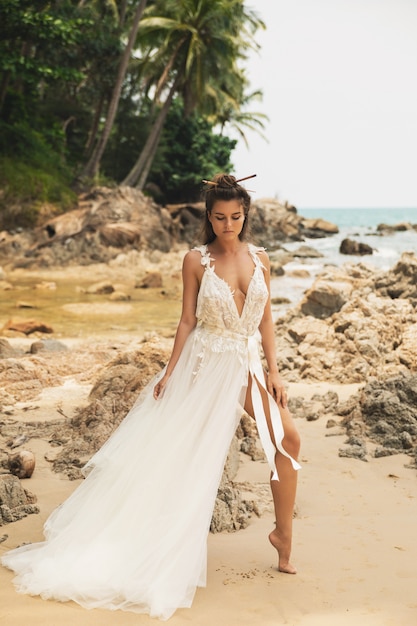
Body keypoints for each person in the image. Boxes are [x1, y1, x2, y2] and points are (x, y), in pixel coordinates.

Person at [1, 173, 301, 621]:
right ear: (208, 216)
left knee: (289, 440)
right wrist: (170, 372)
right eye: (219, 217)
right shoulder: (195, 260)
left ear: (246, 215)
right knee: (180, 459)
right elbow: (186, 322)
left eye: (236, 217)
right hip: (203, 364)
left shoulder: (261, 259)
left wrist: (275, 373)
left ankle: (283, 537)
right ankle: (149, 540)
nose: (228, 225)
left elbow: (266, 322)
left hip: (245, 365)